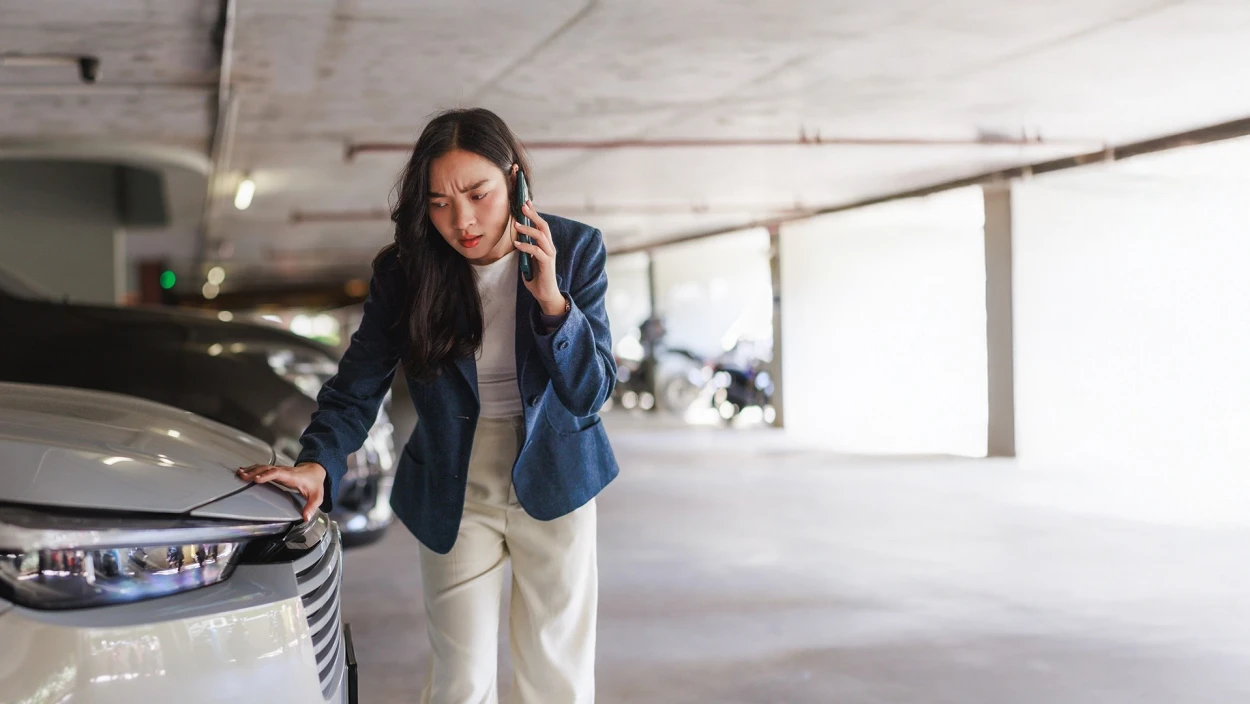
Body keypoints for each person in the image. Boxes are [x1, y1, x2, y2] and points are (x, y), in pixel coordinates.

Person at [237, 107, 619, 704]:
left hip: (556, 470)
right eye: (439, 202)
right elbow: (359, 381)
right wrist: (317, 462)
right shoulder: (406, 271)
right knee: (458, 681)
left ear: (514, 179)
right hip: (453, 477)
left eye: (478, 194)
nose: (461, 221)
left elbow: (590, 392)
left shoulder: (573, 249)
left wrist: (552, 303)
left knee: (557, 677)